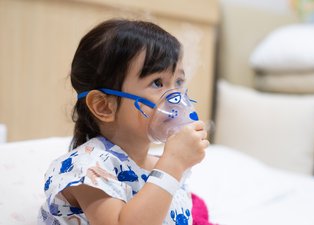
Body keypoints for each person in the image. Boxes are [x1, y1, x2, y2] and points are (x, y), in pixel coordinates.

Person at [38, 18, 209, 225]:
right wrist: (173, 163)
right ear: (104, 106)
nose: (175, 98)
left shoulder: (160, 166)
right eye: (157, 82)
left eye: (179, 82)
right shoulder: (87, 167)